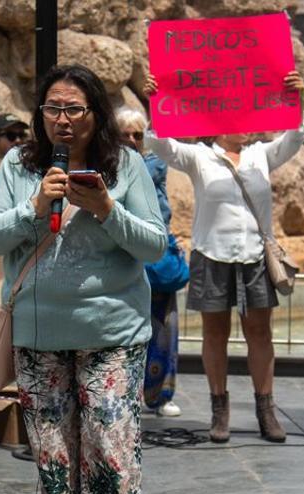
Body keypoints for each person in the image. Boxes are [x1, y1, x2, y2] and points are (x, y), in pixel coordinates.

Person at [0, 64, 164, 494]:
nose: (62, 119)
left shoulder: (125, 165)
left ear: (94, 114)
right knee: (55, 467)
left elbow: (154, 246)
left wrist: (106, 209)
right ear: (40, 115)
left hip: (112, 336)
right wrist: (34, 208)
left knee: (108, 457)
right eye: (52, 109)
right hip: (40, 338)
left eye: (73, 109)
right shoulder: (18, 165)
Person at [143, 71, 304, 443]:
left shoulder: (261, 155)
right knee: (214, 333)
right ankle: (220, 410)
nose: (248, 123)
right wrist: (157, 104)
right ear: (220, 121)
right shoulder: (200, 156)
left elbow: (295, 136)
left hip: (254, 255)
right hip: (212, 254)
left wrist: (298, 97)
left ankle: (266, 410)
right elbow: (161, 146)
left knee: (259, 332)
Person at [116, 106, 183, 418]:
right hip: (122, 255)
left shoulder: (153, 163)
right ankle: (125, 392)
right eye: (125, 134)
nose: (131, 139)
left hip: (154, 255)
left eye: (137, 134)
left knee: (163, 327)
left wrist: (157, 97)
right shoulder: (109, 165)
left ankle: (160, 394)